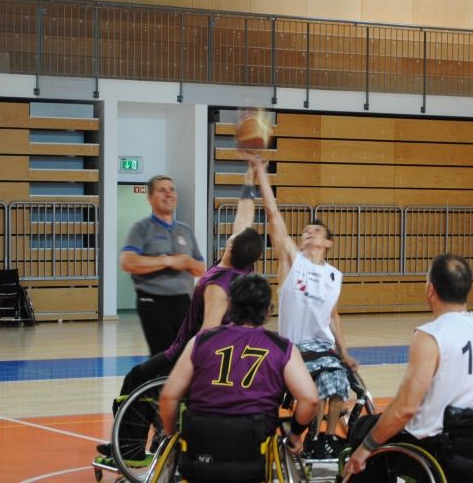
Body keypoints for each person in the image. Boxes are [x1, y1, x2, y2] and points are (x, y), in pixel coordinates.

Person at [96, 162, 262, 460]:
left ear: (230, 247)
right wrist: (250, 180)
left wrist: (191, 365)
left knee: (137, 380)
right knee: (144, 379)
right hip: (190, 337)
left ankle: (130, 450)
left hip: (188, 351)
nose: (233, 233)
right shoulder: (242, 269)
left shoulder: (218, 285)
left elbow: (208, 333)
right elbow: (244, 220)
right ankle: (134, 442)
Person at [344, 254, 473, 481]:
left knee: (362, 429)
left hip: (433, 448)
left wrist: (365, 448)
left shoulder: (430, 336)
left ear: (430, 289)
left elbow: (405, 409)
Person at [247, 153, 358, 459]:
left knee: (338, 384)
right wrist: (261, 173)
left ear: (327, 243)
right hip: (294, 347)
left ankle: (328, 438)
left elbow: (333, 315)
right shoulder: (292, 261)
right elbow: (273, 215)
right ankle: (310, 437)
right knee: (318, 385)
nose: (308, 232)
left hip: (323, 347)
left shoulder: (334, 275)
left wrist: (345, 353)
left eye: (316, 230)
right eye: (306, 230)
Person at [159, 273, 319, 482]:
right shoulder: (282, 347)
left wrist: (170, 434)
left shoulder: (201, 341)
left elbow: (168, 397)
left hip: (199, 450)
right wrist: (296, 434)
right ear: (269, 310)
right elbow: (310, 399)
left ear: (230, 306)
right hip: (252, 450)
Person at [121, 174, 207, 355]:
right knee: (164, 356)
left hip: (184, 302)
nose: (168, 194)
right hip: (153, 301)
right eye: (162, 190)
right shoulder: (141, 228)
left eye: (172, 190)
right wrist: (167, 261)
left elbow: (201, 268)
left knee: (187, 356)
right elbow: (128, 262)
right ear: (150, 198)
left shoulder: (185, 230)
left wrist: (187, 262)